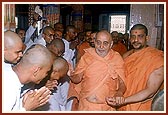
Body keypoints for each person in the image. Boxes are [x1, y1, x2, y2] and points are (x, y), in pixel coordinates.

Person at [106, 24, 164, 111]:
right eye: (133, 36)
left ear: (147, 38)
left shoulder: (156, 59)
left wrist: (124, 100)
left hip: (142, 107)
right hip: (121, 105)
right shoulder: (126, 56)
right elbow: (118, 78)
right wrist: (119, 94)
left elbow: (150, 91)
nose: (136, 40)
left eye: (140, 36)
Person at [69, 29, 126, 111]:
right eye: (98, 42)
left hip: (107, 107)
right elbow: (77, 79)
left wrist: (119, 93)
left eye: (105, 43)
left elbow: (122, 82)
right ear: (94, 42)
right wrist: (71, 74)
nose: (101, 46)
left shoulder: (116, 59)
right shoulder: (87, 56)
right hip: (86, 106)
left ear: (111, 44)